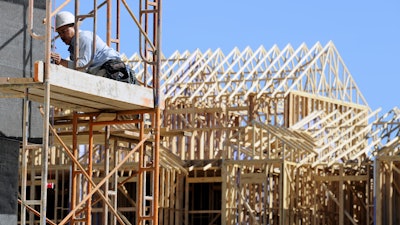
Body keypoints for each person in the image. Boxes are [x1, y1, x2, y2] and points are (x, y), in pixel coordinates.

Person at [51, 11, 135, 83]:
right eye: (59, 33)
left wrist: (61, 62)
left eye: (64, 31)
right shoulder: (74, 46)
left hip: (111, 70)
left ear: (75, 27)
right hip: (103, 71)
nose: (62, 36)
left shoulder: (83, 38)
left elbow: (81, 67)